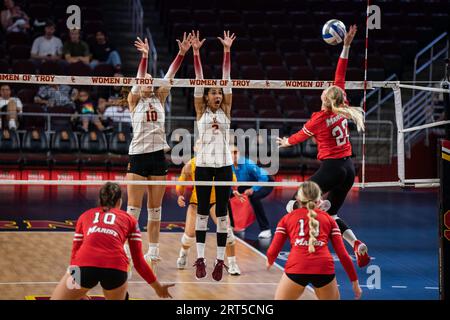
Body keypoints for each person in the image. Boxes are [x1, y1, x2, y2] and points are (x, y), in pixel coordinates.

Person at [277, 25, 370, 268]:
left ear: (325, 98)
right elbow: (341, 76)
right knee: (330, 214)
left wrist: (285, 142)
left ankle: (298, 243)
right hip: (349, 169)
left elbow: (299, 136)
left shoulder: (319, 118)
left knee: (296, 200)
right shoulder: (343, 106)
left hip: (332, 169)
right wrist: (346, 46)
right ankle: (356, 244)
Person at [125, 33, 192, 271]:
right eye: (143, 80)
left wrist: (182, 53)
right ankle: (128, 251)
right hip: (138, 156)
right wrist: (144, 57)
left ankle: (153, 252)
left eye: (150, 80)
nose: (147, 82)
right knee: (133, 210)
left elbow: (170, 75)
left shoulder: (159, 97)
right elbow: (140, 77)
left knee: (155, 210)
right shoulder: (134, 99)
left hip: (157, 156)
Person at [50, 182, 174, 300]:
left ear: (100, 200)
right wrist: (158, 287)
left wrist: (81, 289)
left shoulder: (85, 216)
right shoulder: (130, 219)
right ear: (120, 201)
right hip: (115, 269)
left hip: (84, 265)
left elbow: (75, 254)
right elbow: (138, 261)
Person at [190, 30, 236, 281]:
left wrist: (227, 51)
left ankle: (219, 260)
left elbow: (227, 79)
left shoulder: (226, 109)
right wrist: (196, 52)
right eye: (213, 92)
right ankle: (200, 258)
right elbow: (199, 80)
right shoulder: (200, 110)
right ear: (206, 96)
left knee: (222, 215)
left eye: (220, 92)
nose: (218, 95)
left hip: (224, 166)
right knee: (201, 213)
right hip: (205, 166)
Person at [266, 181, 362, 300]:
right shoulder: (330, 220)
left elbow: (273, 251)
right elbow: (343, 255)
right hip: (324, 269)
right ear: (319, 199)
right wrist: (355, 282)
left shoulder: (287, 219)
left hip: (297, 267)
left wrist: (270, 262)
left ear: (298, 200)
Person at [175, 150, 243, 275]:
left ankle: (233, 263)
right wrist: (180, 195)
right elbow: (182, 180)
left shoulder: (222, 162)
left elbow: (232, 179)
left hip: (216, 201)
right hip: (197, 201)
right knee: (189, 236)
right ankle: (184, 253)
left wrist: (234, 190)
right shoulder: (192, 164)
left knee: (227, 232)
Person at [230, 145, 274, 238]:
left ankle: (266, 229)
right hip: (246, 183)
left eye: (235, 152)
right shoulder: (228, 166)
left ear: (239, 153)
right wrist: (234, 190)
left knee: (254, 197)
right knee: (227, 196)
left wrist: (253, 189)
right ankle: (235, 226)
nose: (233, 155)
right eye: (230, 153)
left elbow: (263, 178)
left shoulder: (248, 164)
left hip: (265, 181)